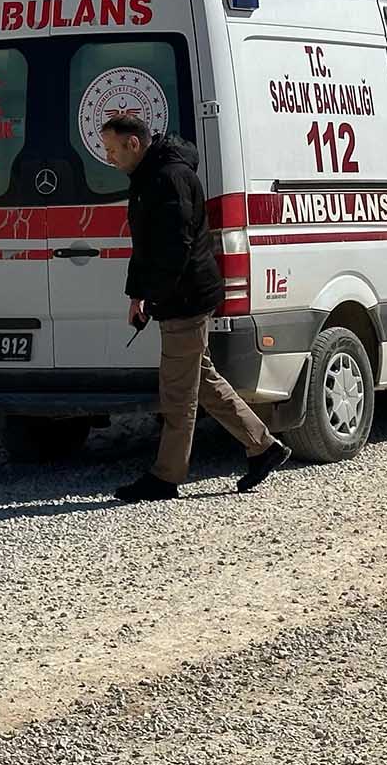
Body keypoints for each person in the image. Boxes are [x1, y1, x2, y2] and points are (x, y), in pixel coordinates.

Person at [101, 114, 290, 502]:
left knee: (177, 392)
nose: (108, 156)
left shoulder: (168, 177)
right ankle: (263, 446)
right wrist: (137, 294)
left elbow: (176, 247)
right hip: (177, 296)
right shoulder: (148, 176)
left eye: (112, 148)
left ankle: (166, 476)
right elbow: (145, 245)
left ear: (134, 144)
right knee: (200, 379)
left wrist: (155, 296)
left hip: (185, 299)